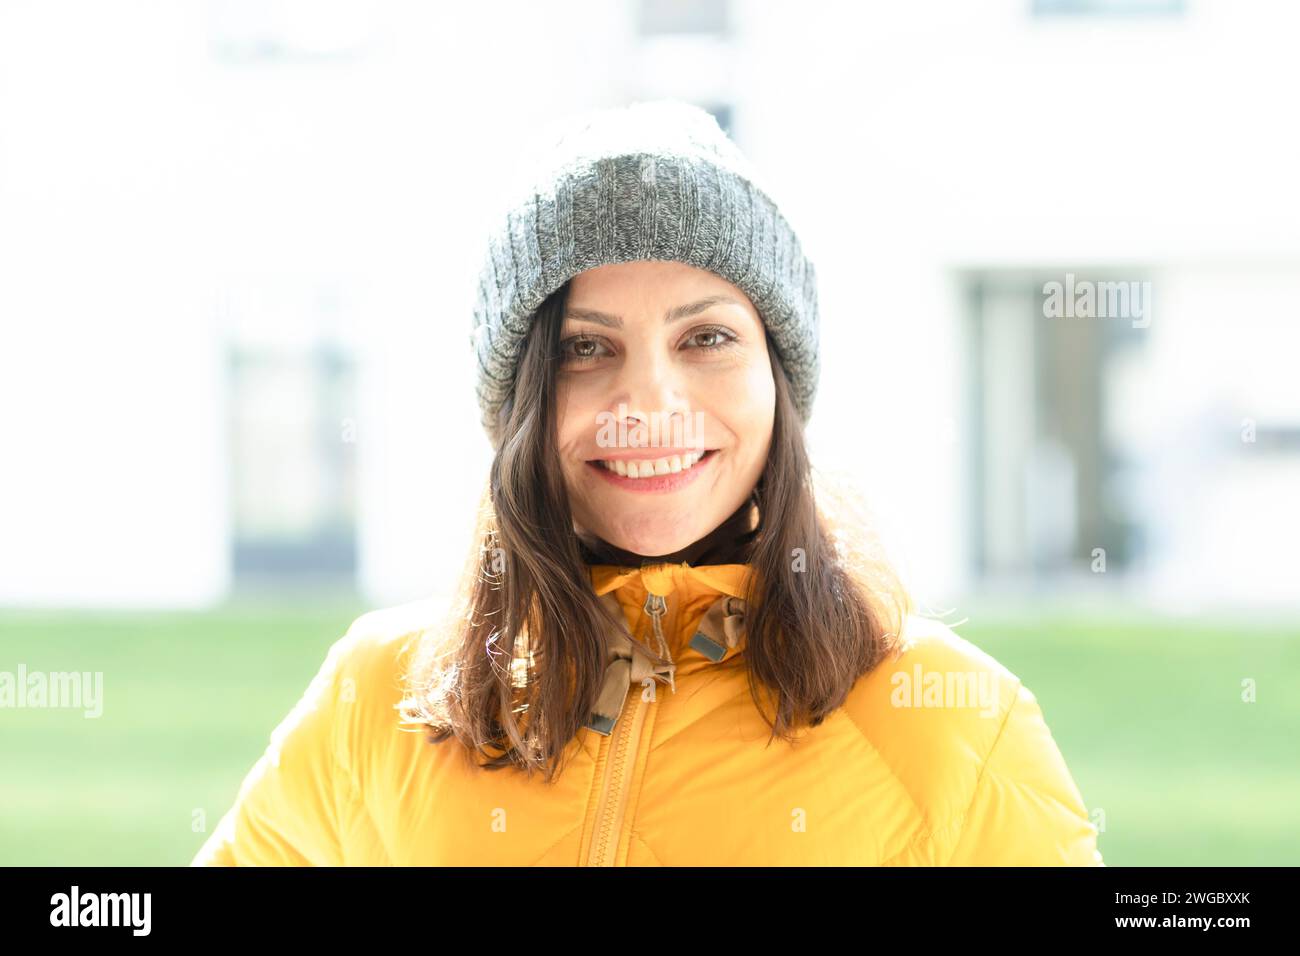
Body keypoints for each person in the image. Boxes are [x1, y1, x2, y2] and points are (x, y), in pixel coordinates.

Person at [192, 100, 1102, 867]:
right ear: (521, 404)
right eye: (586, 349)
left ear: (778, 383)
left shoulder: (952, 725)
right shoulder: (375, 698)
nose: (647, 404)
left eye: (705, 339)